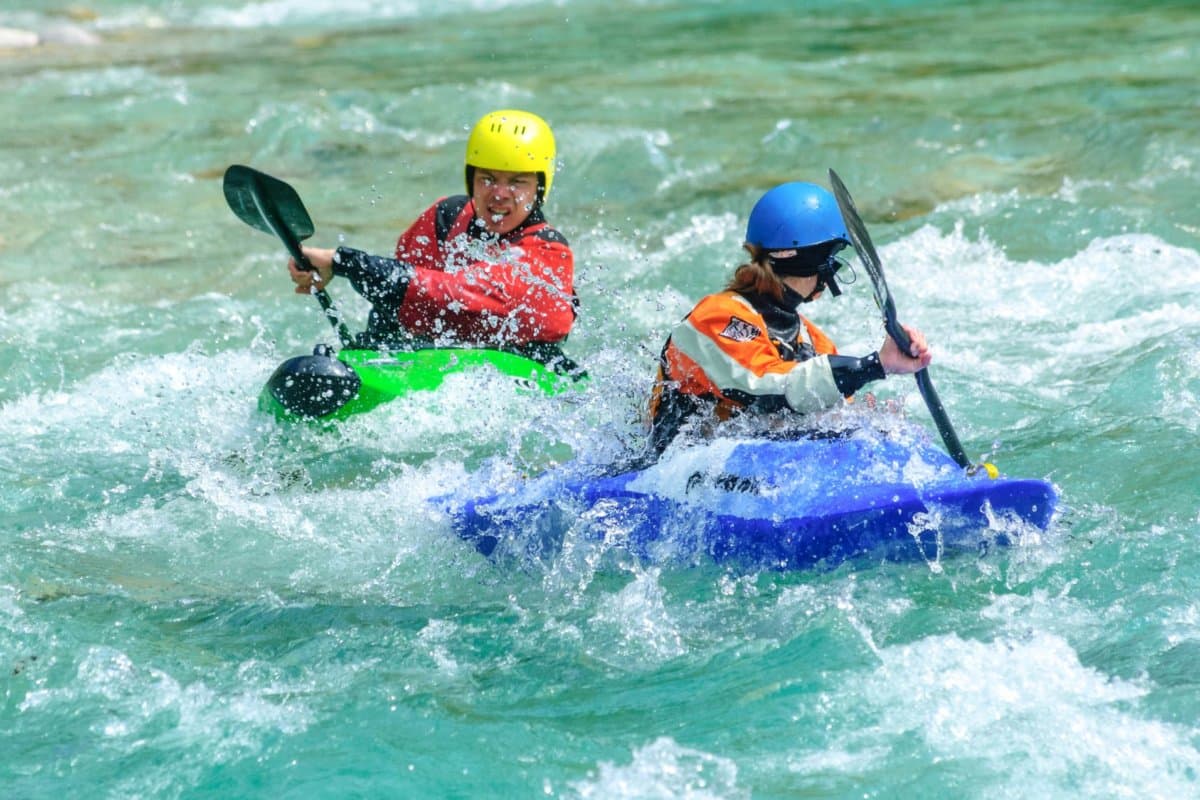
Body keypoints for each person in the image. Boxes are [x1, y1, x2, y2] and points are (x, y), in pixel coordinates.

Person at [646, 181, 931, 453]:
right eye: (830, 260)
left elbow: (828, 414)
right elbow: (764, 389)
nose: (832, 272)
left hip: (758, 465)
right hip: (678, 471)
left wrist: (878, 421)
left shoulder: (816, 343)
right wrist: (874, 365)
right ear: (811, 262)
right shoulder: (716, 318)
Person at [287, 108, 579, 372]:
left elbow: (451, 294)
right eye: (487, 178)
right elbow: (397, 306)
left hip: (519, 374)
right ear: (470, 179)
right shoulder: (446, 219)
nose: (499, 194)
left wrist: (342, 262)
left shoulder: (548, 254)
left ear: (539, 188)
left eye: (517, 182)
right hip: (437, 361)